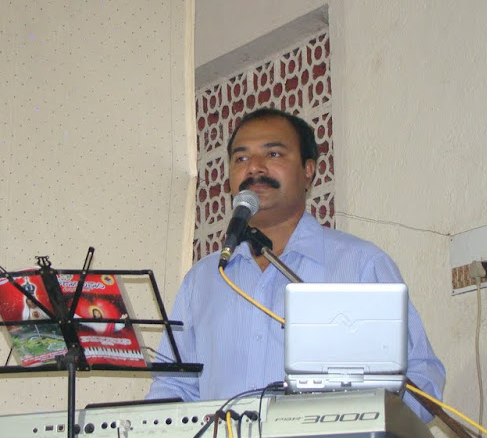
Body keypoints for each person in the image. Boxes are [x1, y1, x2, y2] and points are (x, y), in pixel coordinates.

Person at [146, 108, 445, 422]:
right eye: (241, 158)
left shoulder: (360, 265)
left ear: (308, 170)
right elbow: (173, 384)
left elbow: (421, 377)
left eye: (273, 153)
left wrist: (362, 426)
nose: (254, 167)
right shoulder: (204, 279)